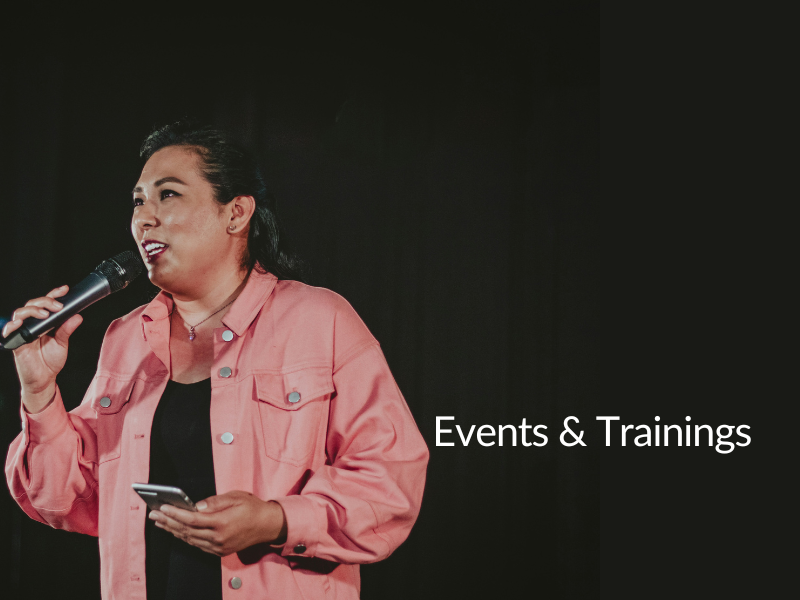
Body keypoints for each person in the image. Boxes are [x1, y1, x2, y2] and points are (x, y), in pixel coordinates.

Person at [4, 122, 429, 600]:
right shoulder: (125, 338)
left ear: (236, 213)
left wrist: (275, 520)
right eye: (138, 200)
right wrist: (39, 394)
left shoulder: (318, 319)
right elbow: (64, 499)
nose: (144, 218)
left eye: (168, 195)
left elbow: (390, 483)